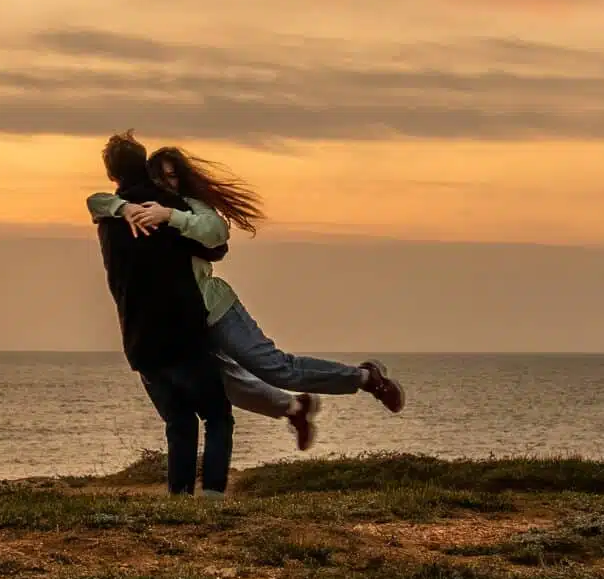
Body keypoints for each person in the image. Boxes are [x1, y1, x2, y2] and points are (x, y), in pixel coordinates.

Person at [89, 141, 406, 451]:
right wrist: (124, 206)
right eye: (159, 178)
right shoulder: (138, 210)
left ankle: (366, 378)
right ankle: (296, 410)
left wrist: (170, 216)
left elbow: (216, 233)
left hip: (214, 308)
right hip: (179, 325)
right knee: (229, 385)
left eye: (173, 177)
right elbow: (96, 201)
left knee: (275, 368)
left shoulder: (188, 207)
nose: (166, 184)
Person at [93, 132, 234, 496]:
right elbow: (217, 245)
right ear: (145, 165)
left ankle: (179, 497)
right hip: (182, 332)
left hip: (139, 340)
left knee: (178, 421)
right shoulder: (164, 207)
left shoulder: (109, 218)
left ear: (112, 174)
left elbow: (96, 203)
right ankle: (213, 497)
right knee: (217, 416)